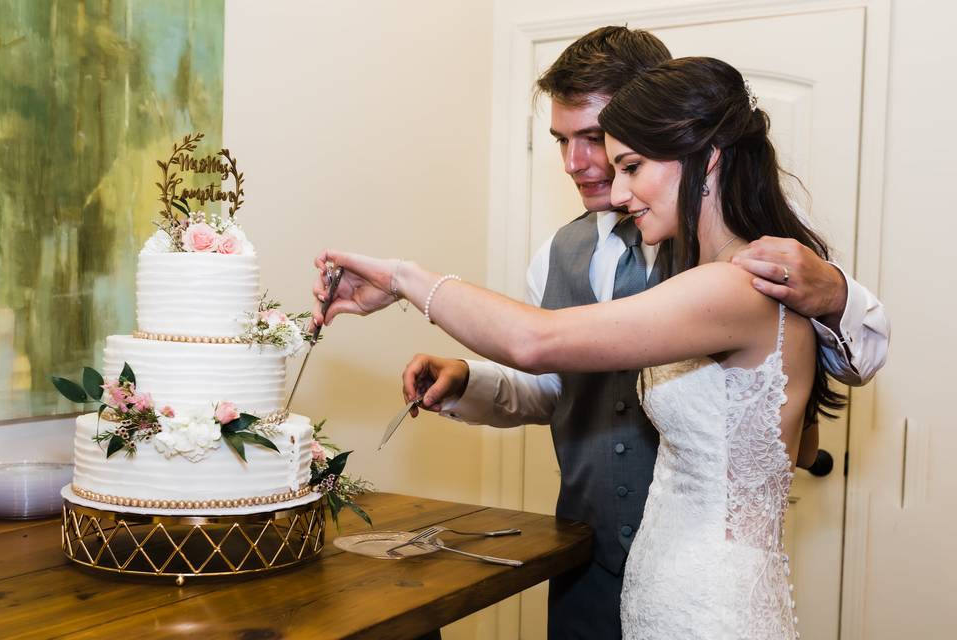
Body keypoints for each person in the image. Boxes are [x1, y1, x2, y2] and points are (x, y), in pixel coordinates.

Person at [312, 56, 860, 638]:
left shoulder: (737, 283)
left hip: (708, 601)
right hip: (652, 579)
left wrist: (402, 277)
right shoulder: (733, 274)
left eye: (631, 165)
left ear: (707, 159)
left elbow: (535, 340)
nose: (616, 190)